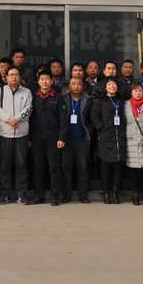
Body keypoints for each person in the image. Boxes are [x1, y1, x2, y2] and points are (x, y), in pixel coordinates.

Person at [0, 66, 33, 204]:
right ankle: (4, 194)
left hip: (22, 133)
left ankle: (21, 194)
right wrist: (9, 120)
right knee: (5, 165)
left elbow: (29, 108)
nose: (14, 77)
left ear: (20, 77)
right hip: (5, 133)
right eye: (11, 75)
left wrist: (16, 119)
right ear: (6, 77)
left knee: (21, 164)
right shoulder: (0, 91)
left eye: (16, 74)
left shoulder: (27, 92)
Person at [29, 70, 65, 206]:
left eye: (47, 79)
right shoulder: (33, 97)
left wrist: (61, 137)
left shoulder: (58, 97)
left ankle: (55, 196)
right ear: (38, 82)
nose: (44, 81)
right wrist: (29, 138)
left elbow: (63, 119)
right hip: (37, 138)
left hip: (53, 138)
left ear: (51, 81)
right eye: (42, 79)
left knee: (54, 168)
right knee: (38, 168)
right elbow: (30, 119)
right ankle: (39, 195)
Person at [90, 78, 126, 204]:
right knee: (105, 167)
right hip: (106, 136)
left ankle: (115, 192)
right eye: (109, 84)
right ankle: (106, 192)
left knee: (117, 167)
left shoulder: (121, 101)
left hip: (119, 136)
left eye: (114, 84)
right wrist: (102, 128)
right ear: (105, 88)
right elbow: (94, 117)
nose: (112, 86)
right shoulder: (100, 101)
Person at [60, 75, 91, 203]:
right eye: (73, 84)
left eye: (79, 84)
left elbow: (90, 119)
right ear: (69, 86)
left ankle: (83, 195)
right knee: (66, 168)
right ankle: (66, 194)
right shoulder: (63, 99)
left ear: (82, 86)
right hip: (66, 139)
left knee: (83, 168)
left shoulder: (88, 99)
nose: (76, 86)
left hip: (82, 139)